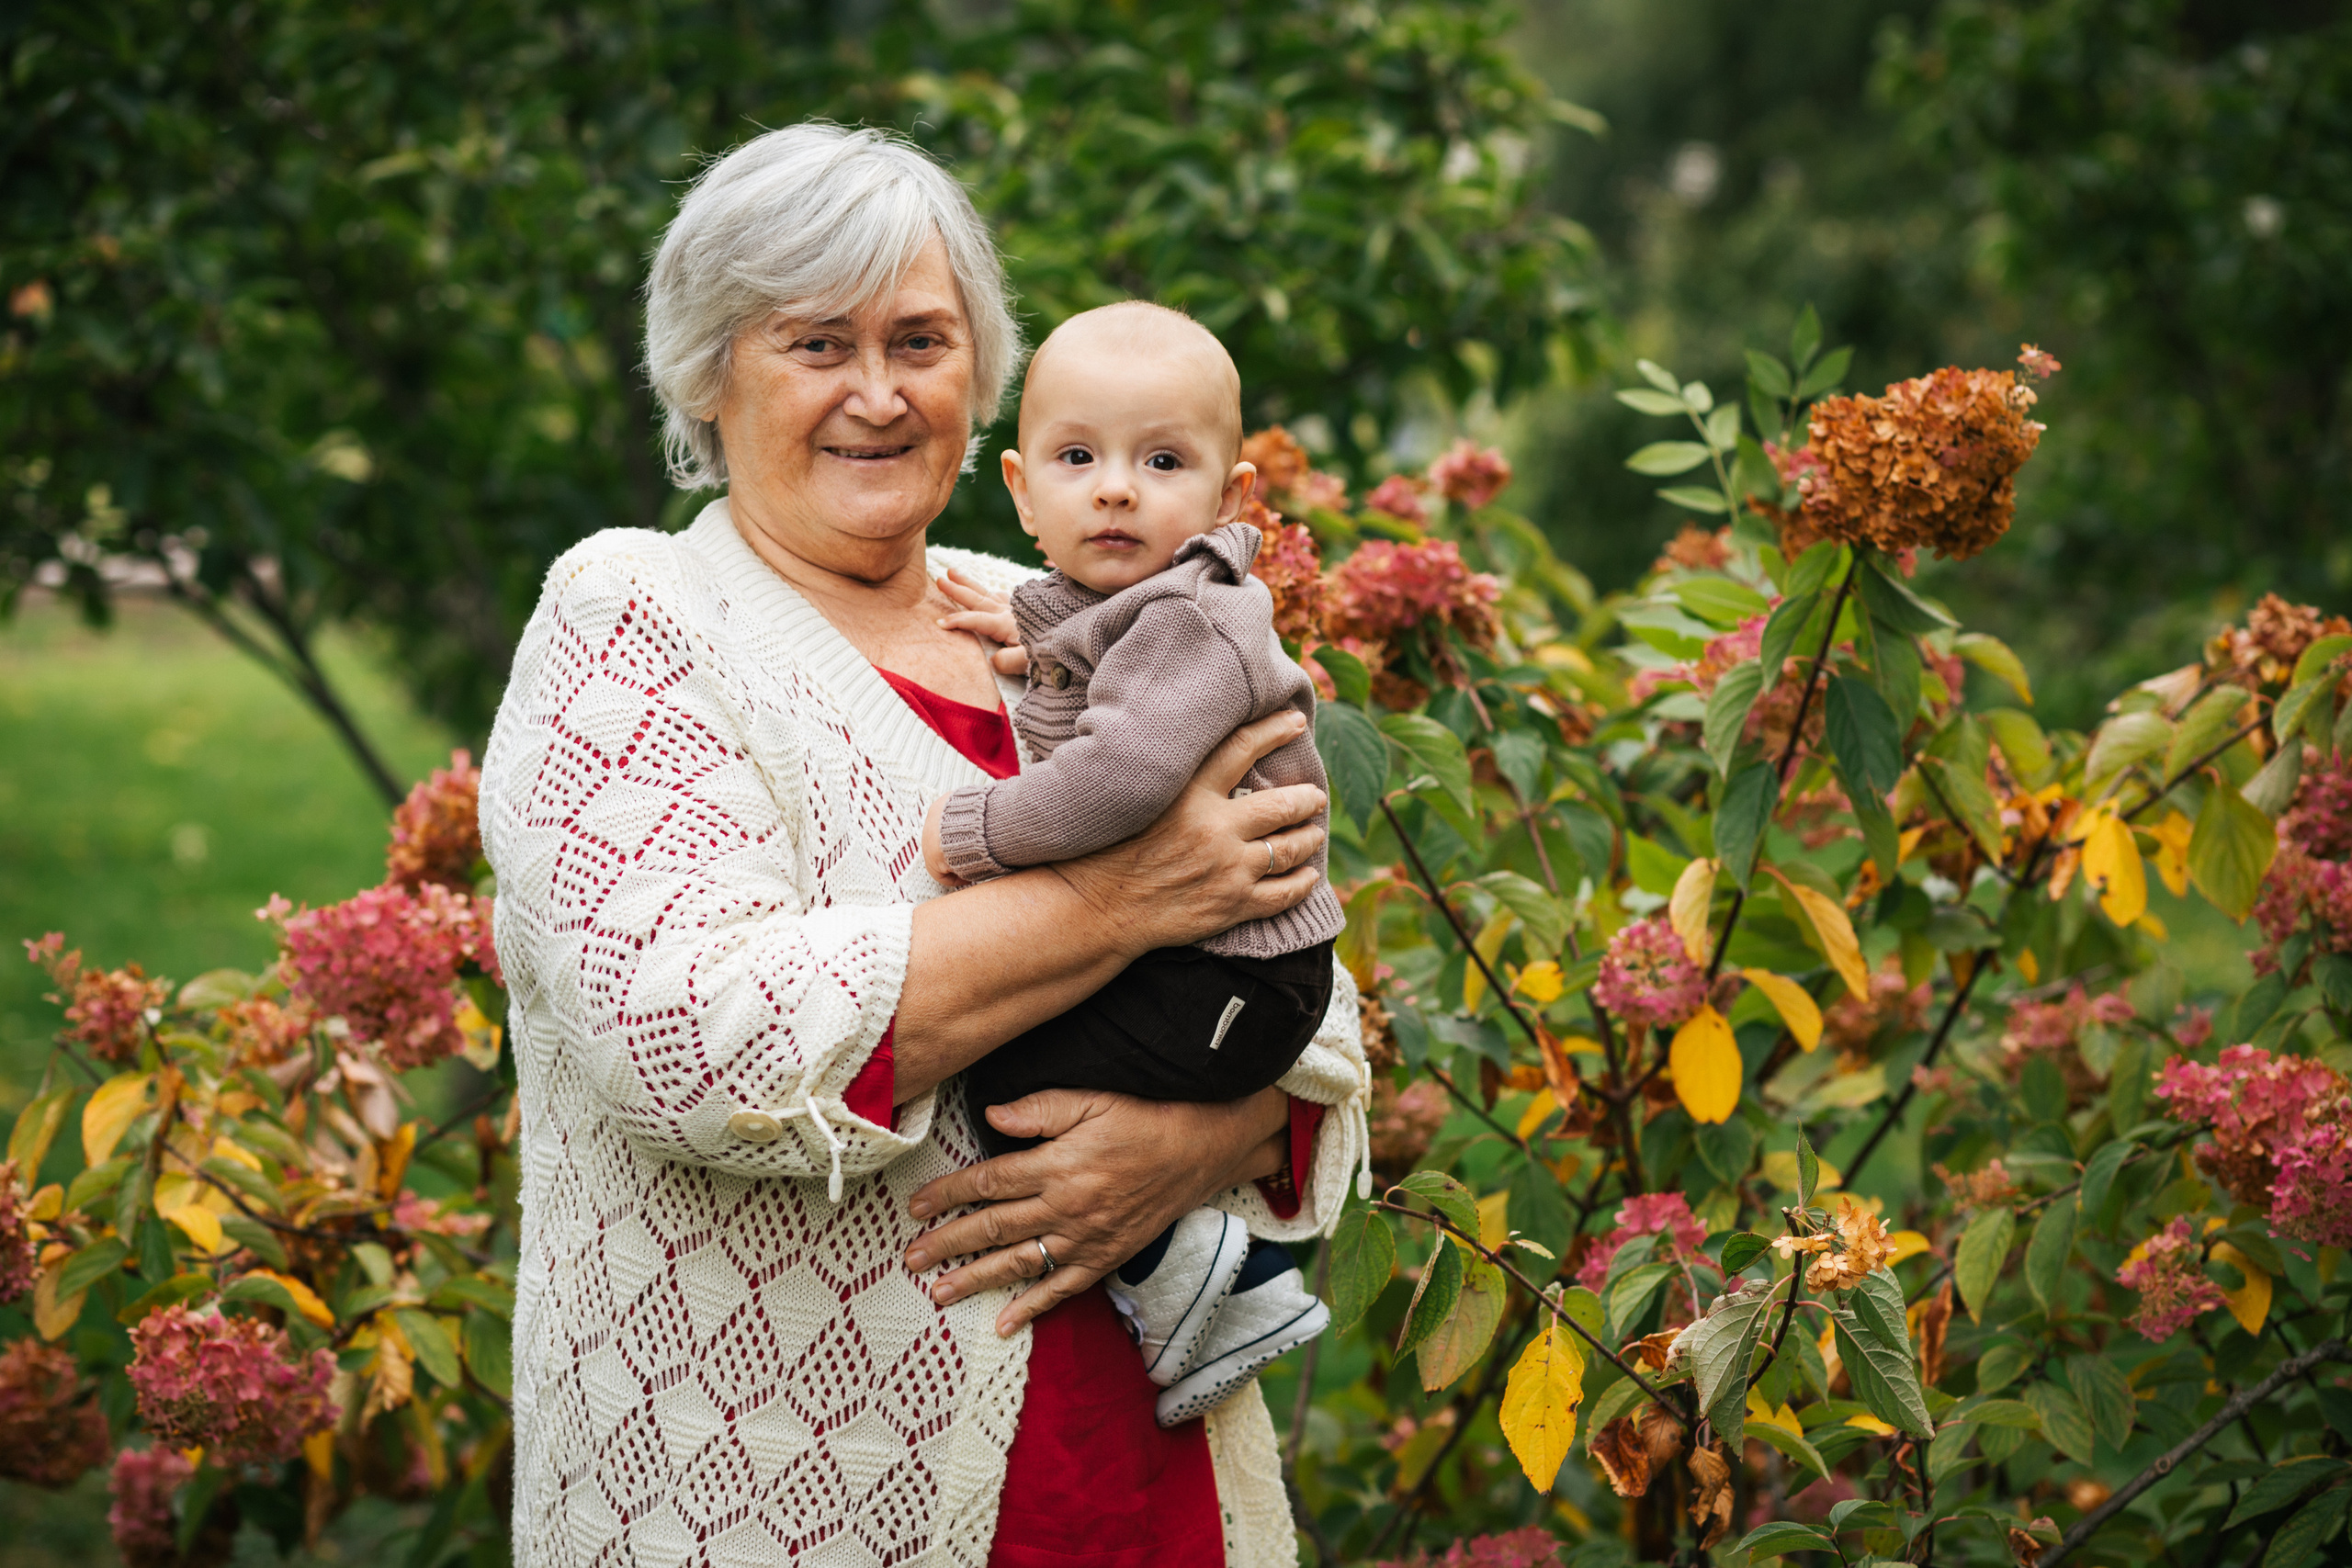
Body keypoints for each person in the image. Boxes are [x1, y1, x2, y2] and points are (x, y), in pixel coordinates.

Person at [479, 122, 1368, 1568]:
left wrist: (1215, 1129)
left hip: (1148, 1494)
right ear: (711, 371)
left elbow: (1312, 985)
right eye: (817, 343)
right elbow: (687, 1040)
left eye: (922, 340)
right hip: (786, 1503)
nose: (879, 394)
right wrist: (1124, 897)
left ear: (983, 381)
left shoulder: (1070, 611)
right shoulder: (637, 616)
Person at [916, 302, 1343, 1427]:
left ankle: (1206, 1276)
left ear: (1229, 500)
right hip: (1216, 967)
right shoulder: (1124, 609)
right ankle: (1210, 1270)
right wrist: (1027, 632)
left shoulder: (1193, 620)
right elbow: (1086, 659)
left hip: (1240, 980)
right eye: (1077, 458)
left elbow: (1120, 778)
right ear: (1019, 489)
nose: (1114, 488)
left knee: (1012, 1066)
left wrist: (977, 833)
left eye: (1161, 460)